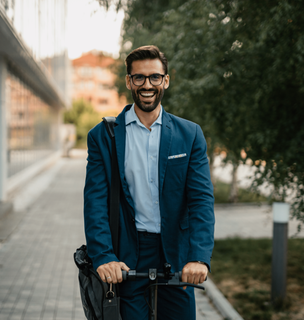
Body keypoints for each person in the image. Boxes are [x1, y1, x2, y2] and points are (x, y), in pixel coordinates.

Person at [83, 45, 215, 319]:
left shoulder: (189, 134)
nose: (147, 84)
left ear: (165, 80)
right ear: (129, 81)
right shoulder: (103, 136)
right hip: (128, 254)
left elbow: (201, 200)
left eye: (155, 77)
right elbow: (95, 201)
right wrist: (104, 255)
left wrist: (199, 257)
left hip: (175, 253)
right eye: (139, 77)